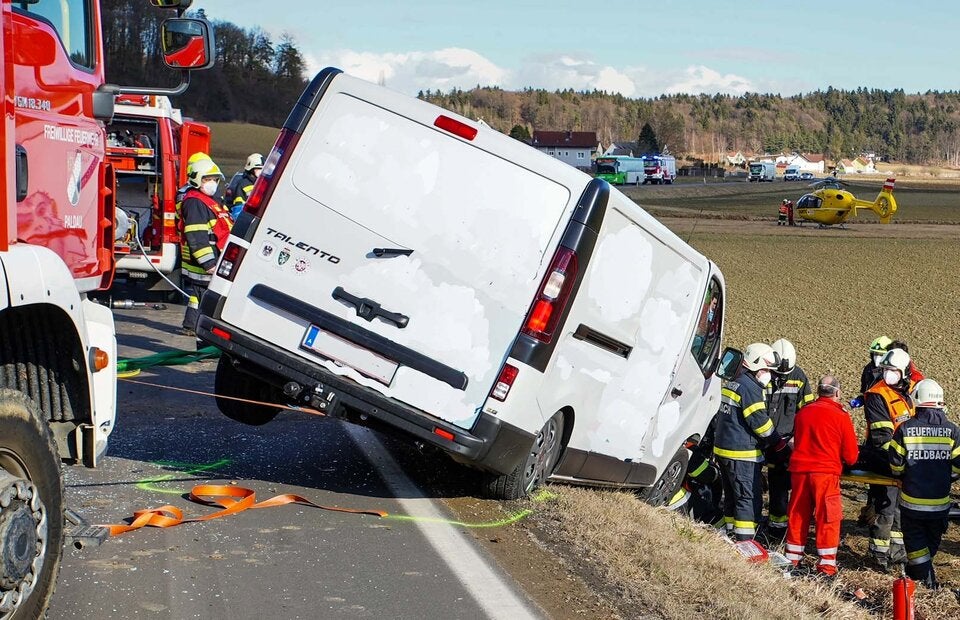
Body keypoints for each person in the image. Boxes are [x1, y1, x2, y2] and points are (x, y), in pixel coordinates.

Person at [784, 374, 859, 578]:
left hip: (800, 472)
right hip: (825, 474)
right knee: (827, 517)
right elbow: (851, 456)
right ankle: (826, 566)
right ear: (837, 392)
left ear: (818, 391)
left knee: (798, 514)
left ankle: (792, 559)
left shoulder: (804, 413)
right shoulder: (840, 415)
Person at [888, 379, 960, 589]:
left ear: (916, 400)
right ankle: (919, 579)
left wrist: (906, 476)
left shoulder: (905, 429)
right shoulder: (953, 431)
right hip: (940, 505)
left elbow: (895, 466)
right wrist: (946, 478)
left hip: (912, 504)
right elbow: (958, 466)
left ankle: (927, 585)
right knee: (929, 546)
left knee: (917, 548)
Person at [713, 342, 789, 541]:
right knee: (748, 498)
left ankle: (729, 533)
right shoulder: (750, 389)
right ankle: (747, 542)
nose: (770, 376)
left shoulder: (735, 382)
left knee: (731, 496)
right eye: (767, 370)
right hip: (742, 454)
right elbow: (761, 424)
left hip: (724, 450)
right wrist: (779, 445)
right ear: (755, 365)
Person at [861, 347, 915, 568]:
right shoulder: (877, 394)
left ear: (904, 372)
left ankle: (897, 552)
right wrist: (899, 461)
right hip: (884, 458)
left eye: (892, 370)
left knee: (900, 507)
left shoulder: (907, 392)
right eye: (885, 369)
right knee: (887, 506)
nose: (887, 373)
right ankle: (879, 555)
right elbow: (881, 437)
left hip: (903, 458)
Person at [763, 338, 814, 542]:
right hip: (763, 437)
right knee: (753, 484)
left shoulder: (799, 376)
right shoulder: (765, 374)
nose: (781, 378)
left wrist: (795, 438)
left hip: (787, 442)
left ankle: (778, 530)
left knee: (780, 485)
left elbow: (808, 410)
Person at [178, 158, 233, 335]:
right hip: (205, 263)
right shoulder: (195, 202)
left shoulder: (209, 201)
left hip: (213, 258)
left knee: (199, 296)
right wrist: (209, 263)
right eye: (207, 179)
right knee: (204, 298)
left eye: (215, 179)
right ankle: (200, 335)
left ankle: (193, 327)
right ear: (197, 179)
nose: (212, 183)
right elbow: (196, 236)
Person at [225, 153, 264, 219]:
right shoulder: (243, 184)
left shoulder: (261, 183)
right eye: (258, 168)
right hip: (248, 217)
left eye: (262, 169)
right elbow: (238, 207)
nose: (261, 171)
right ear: (251, 169)